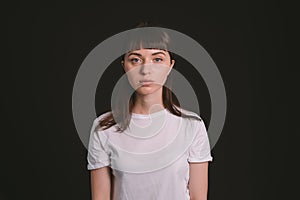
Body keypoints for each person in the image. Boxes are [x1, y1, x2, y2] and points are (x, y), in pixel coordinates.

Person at [87, 23, 213, 200]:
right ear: (125, 66)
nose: (146, 70)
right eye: (136, 60)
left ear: (170, 65)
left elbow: (198, 197)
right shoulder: (103, 128)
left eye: (157, 59)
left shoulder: (192, 126)